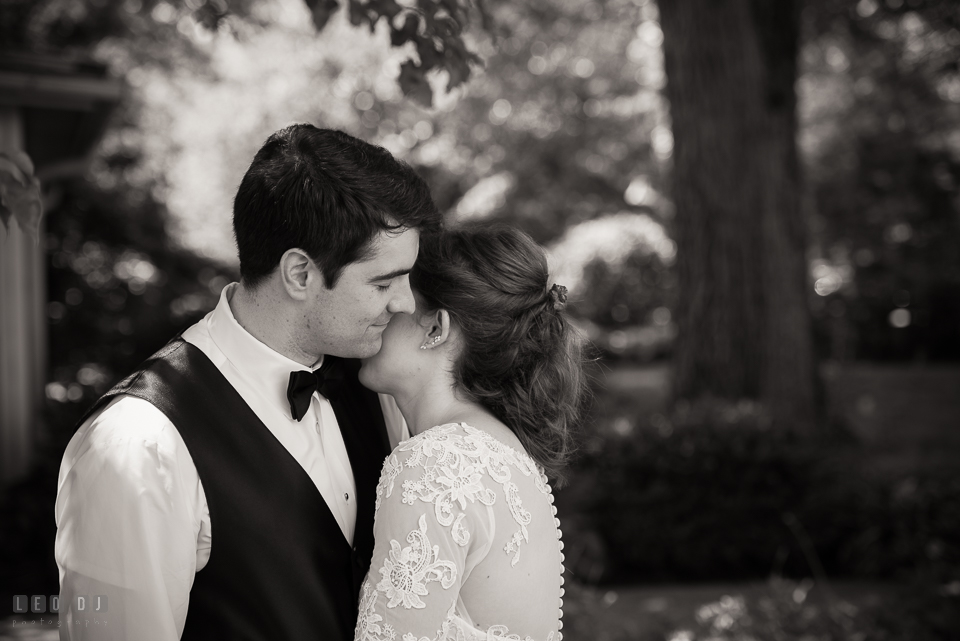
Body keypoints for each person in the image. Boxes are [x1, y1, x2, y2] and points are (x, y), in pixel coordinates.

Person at [54, 124, 442, 641]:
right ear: (300, 274)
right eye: (383, 282)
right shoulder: (137, 446)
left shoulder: (375, 386)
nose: (405, 304)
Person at [354, 224, 587, 641]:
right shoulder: (501, 448)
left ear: (435, 328)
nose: (379, 311)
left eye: (396, 293)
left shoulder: (434, 464)